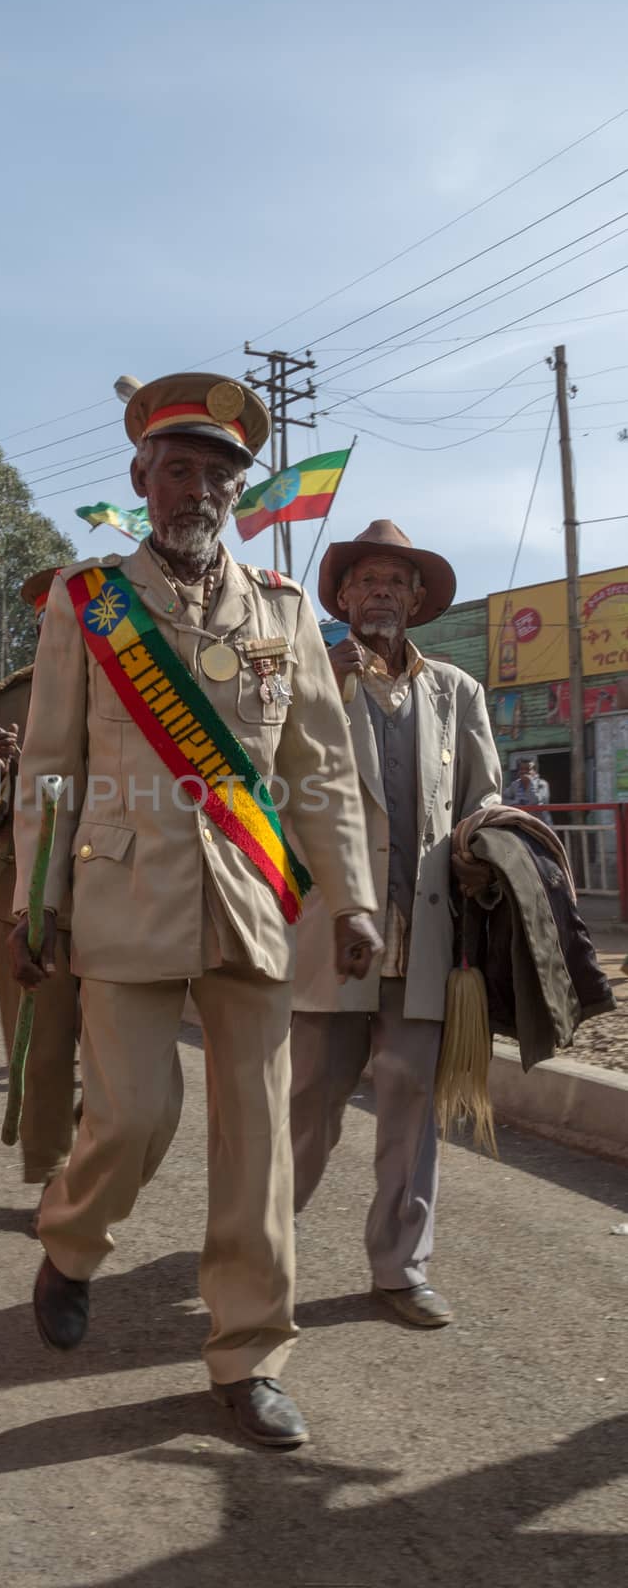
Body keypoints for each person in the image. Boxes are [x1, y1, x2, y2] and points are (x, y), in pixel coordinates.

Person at [10, 371, 380, 1450]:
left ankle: (248, 1353)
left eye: (218, 471)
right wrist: (37, 900)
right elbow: (45, 766)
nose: (198, 487)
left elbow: (320, 762)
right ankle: (73, 1239)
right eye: (179, 468)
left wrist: (349, 897)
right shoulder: (89, 606)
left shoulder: (278, 610)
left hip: (252, 900)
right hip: (120, 892)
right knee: (132, 1115)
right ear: (140, 477)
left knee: (257, 1138)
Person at [290, 520, 502, 1328]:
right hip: (330, 933)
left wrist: (485, 839)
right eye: (365, 582)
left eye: (394, 583)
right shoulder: (308, 679)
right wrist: (317, 686)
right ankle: (263, 1248)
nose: (379, 593)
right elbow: (267, 788)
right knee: (310, 1101)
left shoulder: (456, 692)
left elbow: (483, 794)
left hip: (426, 937)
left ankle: (399, 1268)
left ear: (415, 601)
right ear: (340, 598)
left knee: (413, 1099)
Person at [0, 571, 85, 1198]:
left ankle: (94, 1142)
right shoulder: (6, 701)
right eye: (49, 619)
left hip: (120, 886)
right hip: (25, 891)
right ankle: (54, 1177)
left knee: (126, 1057)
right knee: (41, 1051)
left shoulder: (135, 687)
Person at [503, 757, 553, 826]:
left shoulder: (542, 784)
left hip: (541, 825)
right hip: (523, 824)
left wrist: (530, 782)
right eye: (521, 769)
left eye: (527, 769)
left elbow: (536, 802)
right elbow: (503, 799)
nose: (524, 772)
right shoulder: (515, 785)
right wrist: (515, 803)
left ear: (535, 771)